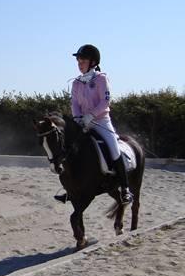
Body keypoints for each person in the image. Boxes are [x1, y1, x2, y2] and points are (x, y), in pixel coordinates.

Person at [55, 44, 133, 205]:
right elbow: (75, 103)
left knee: (114, 149)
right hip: (82, 123)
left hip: (101, 122)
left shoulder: (101, 79)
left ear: (92, 62)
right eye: (78, 60)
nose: (79, 63)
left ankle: (125, 189)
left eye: (82, 60)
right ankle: (70, 189)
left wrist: (91, 115)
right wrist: (77, 118)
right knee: (70, 149)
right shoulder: (76, 83)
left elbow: (105, 101)